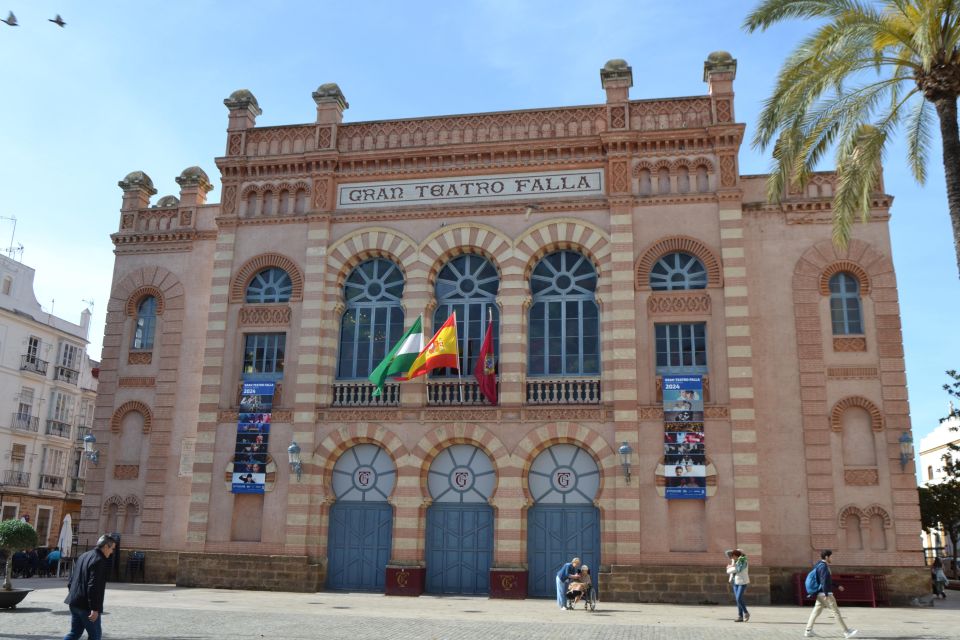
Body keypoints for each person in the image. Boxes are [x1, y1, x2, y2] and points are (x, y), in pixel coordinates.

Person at [63, 533, 116, 640]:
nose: (112, 552)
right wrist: (94, 608)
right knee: (95, 636)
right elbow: (94, 586)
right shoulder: (99, 560)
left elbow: (71, 580)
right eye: (112, 549)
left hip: (74, 602)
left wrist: (74, 595)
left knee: (75, 633)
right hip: (86, 606)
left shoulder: (83, 556)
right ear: (106, 546)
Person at [804, 549, 857, 638]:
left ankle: (808, 631)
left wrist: (837, 586)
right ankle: (846, 632)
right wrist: (826, 594)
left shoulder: (819, 565)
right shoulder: (823, 567)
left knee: (815, 612)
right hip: (825, 593)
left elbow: (827, 580)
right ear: (827, 557)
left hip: (820, 593)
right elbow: (824, 581)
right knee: (835, 612)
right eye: (831, 556)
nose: (832, 558)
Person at [725, 549, 750, 622]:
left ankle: (746, 612)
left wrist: (730, 568)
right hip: (734, 582)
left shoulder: (743, 561)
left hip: (742, 582)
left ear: (737, 555)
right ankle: (740, 616)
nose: (732, 558)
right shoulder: (734, 561)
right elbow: (729, 570)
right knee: (737, 600)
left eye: (733, 556)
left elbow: (738, 569)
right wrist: (731, 567)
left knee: (739, 598)